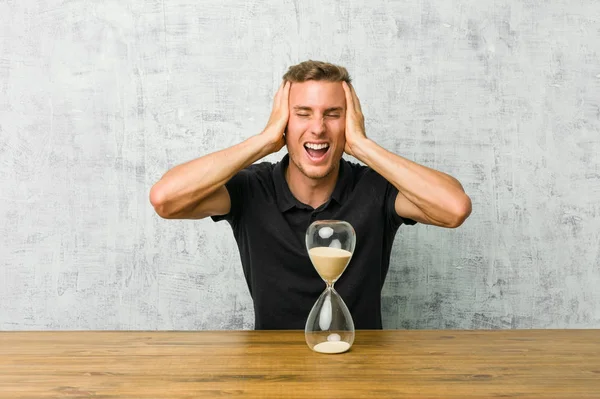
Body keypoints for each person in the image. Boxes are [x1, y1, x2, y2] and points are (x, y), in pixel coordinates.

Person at [149, 60, 472, 330]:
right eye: (302, 113)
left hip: (366, 364)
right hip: (269, 365)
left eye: (333, 114)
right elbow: (166, 199)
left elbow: (454, 208)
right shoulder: (252, 188)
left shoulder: (375, 188)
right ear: (283, 122)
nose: (317, 128)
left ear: (350, 121)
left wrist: (362, 145)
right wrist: (263, 141)